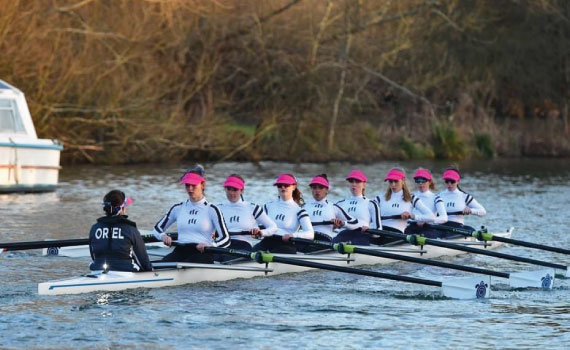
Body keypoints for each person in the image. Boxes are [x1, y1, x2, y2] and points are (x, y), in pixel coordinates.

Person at [152, 165, 230, 263]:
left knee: (186, 263)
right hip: (180, 251)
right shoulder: (177, 208)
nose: (190, 189)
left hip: (202, 252)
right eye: (187, 185)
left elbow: (226, 238)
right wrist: (163, 236)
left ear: (203, 185)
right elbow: (157, 229)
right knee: (157, 266)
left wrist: (212, 245)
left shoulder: (212, 209)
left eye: (193, 185)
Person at [89, 190, 152, 272]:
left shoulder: (94, 228)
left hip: (97, 271)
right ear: (122, 208)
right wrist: (151, 272)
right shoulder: (130, 229)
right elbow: (143, 261)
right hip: (125, 273)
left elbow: (93, 256)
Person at [217, 174, 277, 257]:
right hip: (222, 244)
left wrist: (260, 233)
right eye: (228, 189)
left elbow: (273, 227)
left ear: (242, 190)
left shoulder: (252, 208)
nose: (231, 192)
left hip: (243, 245)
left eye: (235, 189)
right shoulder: (218, 208)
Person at [252, 173, 314, 254]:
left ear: (294, 187)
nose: (283, 187)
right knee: (251, 252)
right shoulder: (267, 206)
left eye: (286, 185)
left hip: (286, 244)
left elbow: (310, 234)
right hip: (267, 241)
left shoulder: (299, 211)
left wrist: (293, 235)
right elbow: (255, 224)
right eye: (279, 185)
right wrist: (256, 231)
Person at [300, 174, 359, 252]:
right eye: (314, 187)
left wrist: (343, 223)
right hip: (306, 239)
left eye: (321, 187)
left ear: (327, 190)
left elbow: (355, 223)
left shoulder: (333, 207)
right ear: (311, 189)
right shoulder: (303, 207)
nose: (317, 190)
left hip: (324, 239)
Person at [374, 168, 434, 244]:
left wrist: (412, 216)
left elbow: (431, 217)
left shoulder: (411, 198)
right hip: (378, 233)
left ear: (403, 181)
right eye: (390, 181)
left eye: (396, 181)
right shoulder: (380, 198)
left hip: (396, 235)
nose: (393, 184)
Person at [333, 169, 381, 245]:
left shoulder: (371, 204)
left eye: (357, 181)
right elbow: (332, 228)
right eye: (351, 181)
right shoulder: (339, 204)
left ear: (364, 185)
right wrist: (335, 226)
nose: (354, 184)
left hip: (362, 235)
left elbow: (378, 232)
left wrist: (370, 230)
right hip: (342, 235)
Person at [438, 168, 486, 233]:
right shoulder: (438, 196)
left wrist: (471, 211)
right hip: (440, 227)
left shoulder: (465, 197)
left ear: (458, 181)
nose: (449, 184)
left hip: (457, 228)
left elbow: (483, 212)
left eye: (452, 181)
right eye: (447, 181)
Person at [404, 168, 448, 238]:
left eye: (423, 181)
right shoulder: (410, 197)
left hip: (429, 227)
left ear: (430, 182)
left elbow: (444, 218)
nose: (420, 183)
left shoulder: (436, 198)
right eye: (418, 181)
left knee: (424, 235)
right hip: (412, 226)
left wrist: (424, 220)